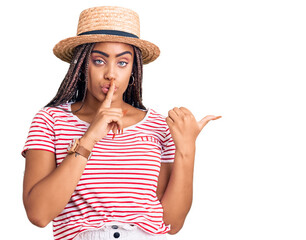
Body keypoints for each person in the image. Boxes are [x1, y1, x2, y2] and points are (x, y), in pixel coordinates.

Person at [21, 6, 220, 240]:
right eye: (99, 61)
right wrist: (90, 137)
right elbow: (39, 214)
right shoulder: (51, 120)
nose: (111, 74)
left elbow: (170, 223)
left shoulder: (157, 125)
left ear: (133, 69)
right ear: (82, 64)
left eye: (122, 63)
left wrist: (186, 149)